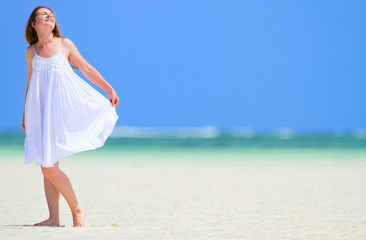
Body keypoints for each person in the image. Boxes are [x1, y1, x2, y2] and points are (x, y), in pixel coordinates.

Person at [22, 6, 119, 227]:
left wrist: (108, 88)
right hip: (40, 111)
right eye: (43, 14)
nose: (49, 16)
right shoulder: (31, 51)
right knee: (46, 166)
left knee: (48, 167)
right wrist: (26, 114)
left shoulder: (64, 44)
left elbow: (85, 67)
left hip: (60, 110)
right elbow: (31, 83)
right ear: (34, 24)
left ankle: (77, 208)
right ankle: (54, 219)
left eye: (51, 14)